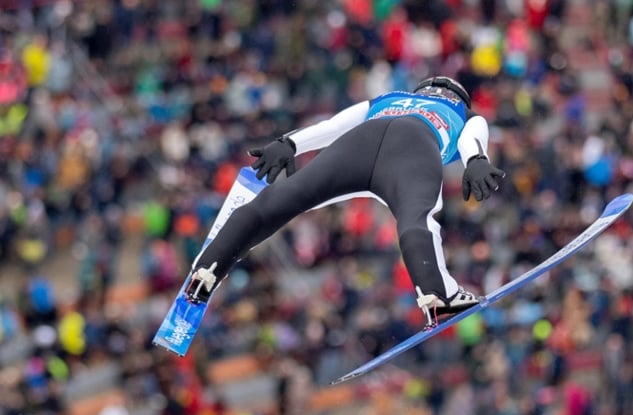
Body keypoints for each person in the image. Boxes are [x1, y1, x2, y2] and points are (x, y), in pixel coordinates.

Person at [183, 76, 506, 328]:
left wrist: (289, 143)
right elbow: (472, 136)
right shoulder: (464, 113)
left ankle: (208, 267)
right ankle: (438, 296)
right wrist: (475, 160)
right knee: (415, 220)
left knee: (282, 199)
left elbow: (332, 127)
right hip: (416, 144)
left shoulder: (390, 98)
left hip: (359, 143)